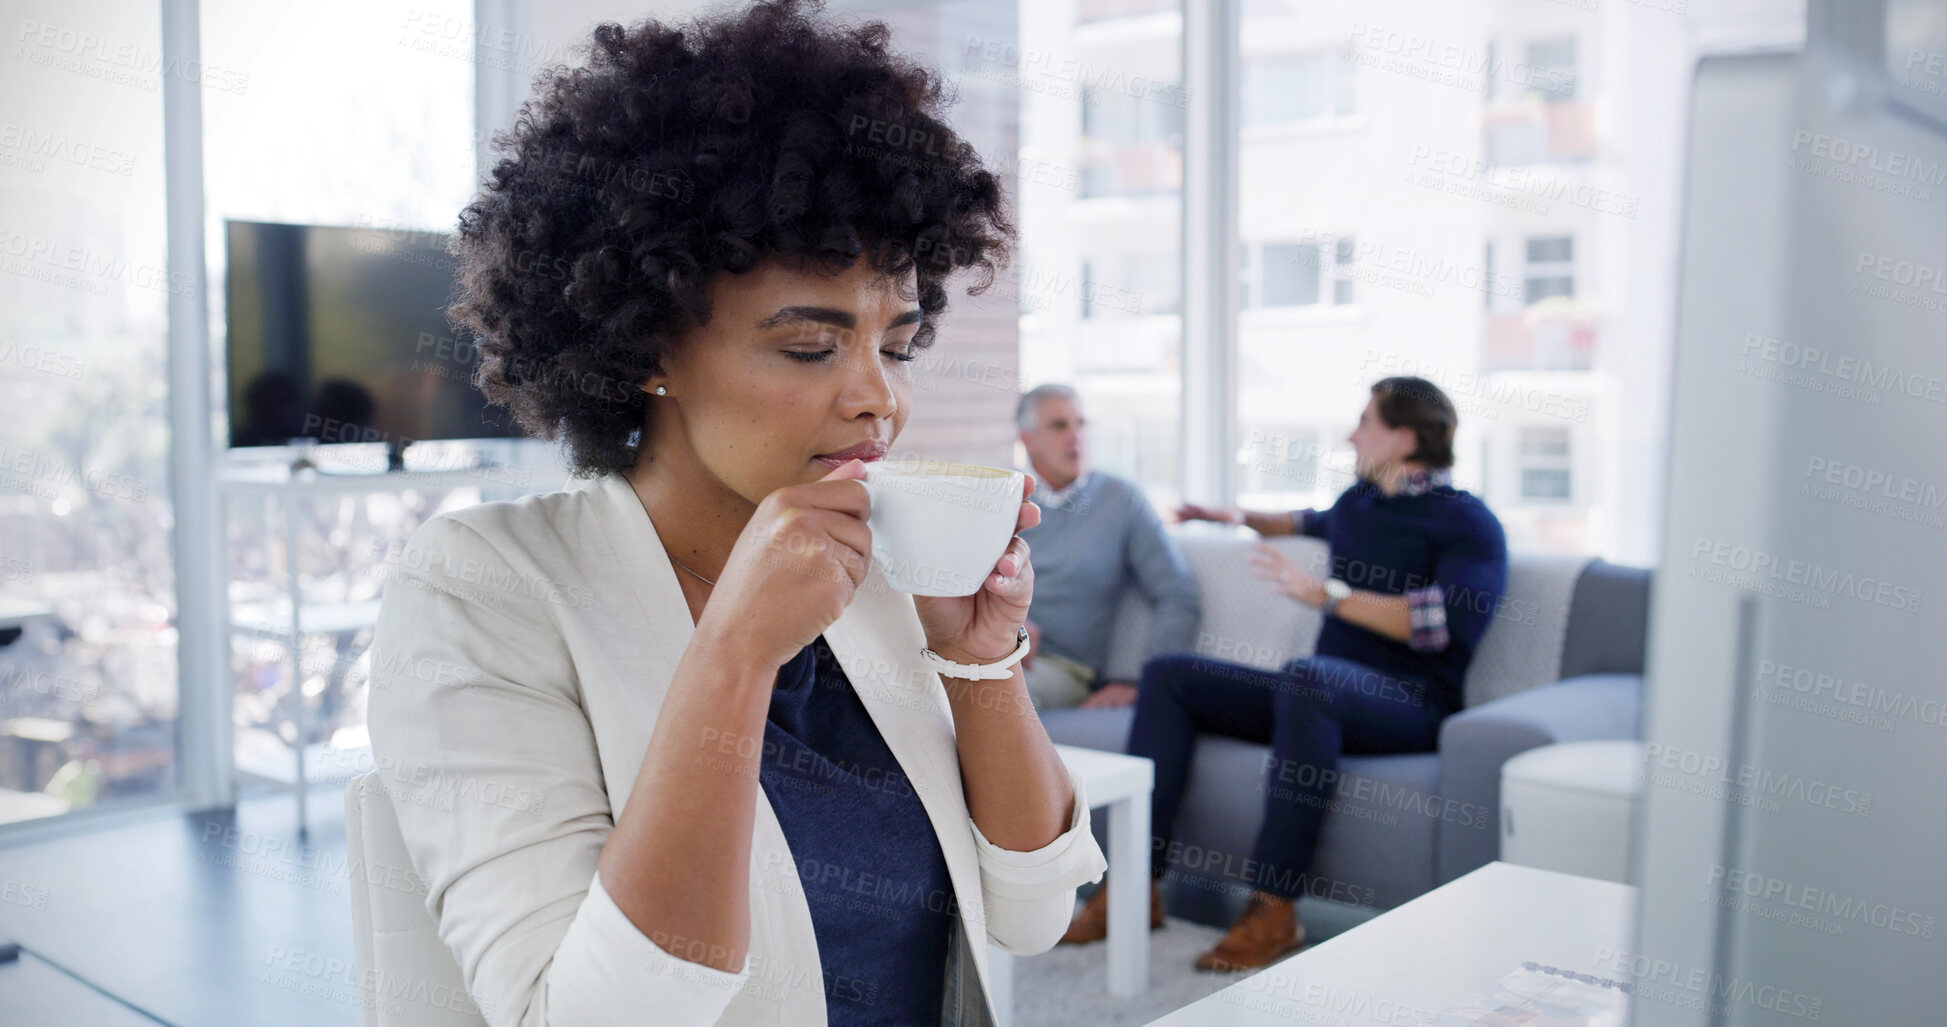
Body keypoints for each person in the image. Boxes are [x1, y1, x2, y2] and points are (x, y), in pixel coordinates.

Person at [364, 4, 1107, 1024]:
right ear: (646, 348)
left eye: (896, 345)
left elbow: (1036, 912)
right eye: (811, 346)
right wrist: (737, 653)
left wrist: (981, 662)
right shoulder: (483, 587)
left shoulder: (868, 560)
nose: (878, 400)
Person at [1059, 376, 1507, 973]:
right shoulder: (1360, 504)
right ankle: (1133, 890)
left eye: (1365, 422)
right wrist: (1233, 515)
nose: (1352, 434)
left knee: (1307, 678)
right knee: (1170, 676)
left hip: (1412, 703)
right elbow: (1300, 520)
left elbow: (1444, 623)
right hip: (1320, 692)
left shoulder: (1467, 521)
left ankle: (1274, 908)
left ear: (1403, 437)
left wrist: (1327, 595)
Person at [1014, 384, 1200, 711]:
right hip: (987, 647)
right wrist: (1008, 627)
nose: (1075, 437)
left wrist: (1143, 681)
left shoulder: (1120, 500)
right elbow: (961, 575)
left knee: (985, 699)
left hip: (1060, 667)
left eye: (1081, 424)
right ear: (1027, 439)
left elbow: (1179, 594)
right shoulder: (1005, 492)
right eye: (1059, 426)